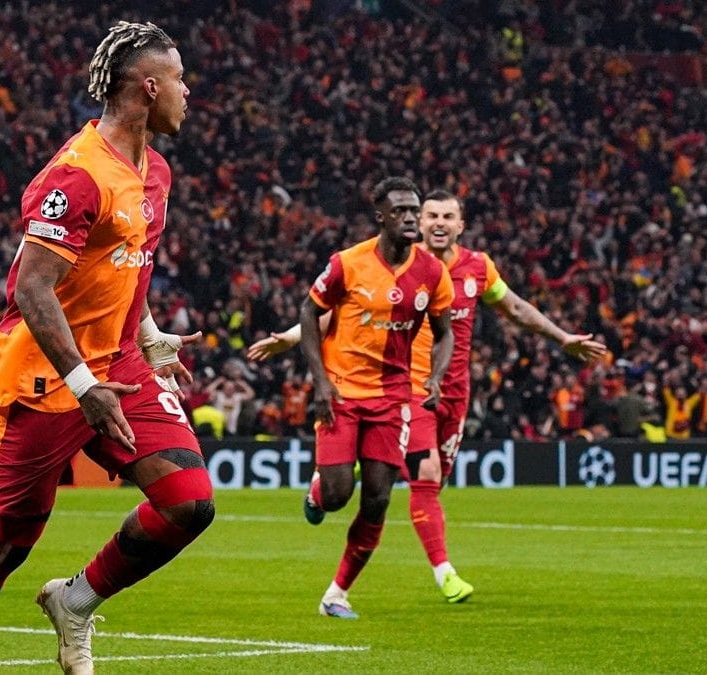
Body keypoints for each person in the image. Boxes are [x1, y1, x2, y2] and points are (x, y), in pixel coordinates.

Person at [0, 22, 212, 675]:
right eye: (180, 79)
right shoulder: (77, 176)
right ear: (149, 87)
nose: (188, 92)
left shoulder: (156, 171)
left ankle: (75, 602)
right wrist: (84, 385)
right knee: (6, 544)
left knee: (189, 500)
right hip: (46, 378)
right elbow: (32, 289)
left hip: (119, 365)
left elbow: (123, 268)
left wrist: (148, 336)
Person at [250, 189, 604, 604]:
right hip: (407, 390)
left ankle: (341, 543)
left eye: (447, 216)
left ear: (460, 225)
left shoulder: (476, 268)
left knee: (431, 484)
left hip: (453, 392)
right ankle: (444, 572)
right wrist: (291, 338)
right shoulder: (392, 263)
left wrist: (562, 338)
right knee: (425, 475)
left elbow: (516, 309)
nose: (438, 223)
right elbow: (337, 312)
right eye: (431, 215)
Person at [295, 176, 456, 619]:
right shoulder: (347, 264)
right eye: (400, 211)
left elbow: (445, 333)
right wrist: (320, 382)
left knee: (378, 499)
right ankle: (318, 492)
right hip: (342, 393)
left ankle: (336, 595)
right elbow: (309, 311)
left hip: (393, 400)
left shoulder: (432, 273)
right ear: (380, 217)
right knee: (338, 494)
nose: (410, 218)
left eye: (414, 210)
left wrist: (436, 376)